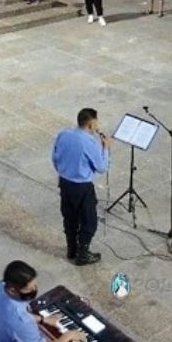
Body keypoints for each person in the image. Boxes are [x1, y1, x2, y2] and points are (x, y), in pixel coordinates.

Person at [52, 108, 110, 266]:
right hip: (82, 187)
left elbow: (55, 157)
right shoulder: (90, 142)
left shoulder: (63, 134)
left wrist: (65, 171)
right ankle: (83, 253)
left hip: (65, 183)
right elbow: (101, 167)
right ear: (91, 125)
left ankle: (71, 249)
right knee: (89, 221)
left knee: (69, 217)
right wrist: (105, 148)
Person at [0, 260, 88, 342]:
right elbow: (20, 320)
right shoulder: (23, 324)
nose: (34, 290)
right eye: (28, 289)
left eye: (35, 286)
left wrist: (43, 319)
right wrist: (68, 336)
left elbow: (19, 314)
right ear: (12, 290)